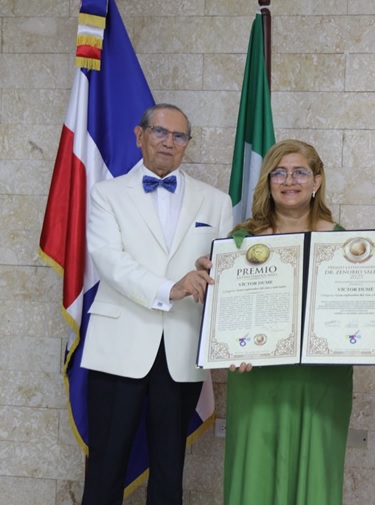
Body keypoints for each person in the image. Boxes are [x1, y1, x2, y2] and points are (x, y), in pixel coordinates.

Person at [80, 103, 233, 505]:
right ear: (140, 135)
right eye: (160, 132)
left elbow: (224, 272)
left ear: (188, 144)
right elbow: (110, 261)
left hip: (182, 348)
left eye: (179, 136)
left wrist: (215, 270)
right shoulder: (106, 194)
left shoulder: (216, 201)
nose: (168, 142)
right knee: (106, 465)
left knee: (169, 468)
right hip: (118, 346)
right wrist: (170, 288)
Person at [221, 139, 351, 505]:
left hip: (320, 378)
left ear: (317, 181)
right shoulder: (240, 242)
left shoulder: (343, 241)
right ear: (268, 181)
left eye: (300, 172)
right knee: (255, 472)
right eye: (278, 172)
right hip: (256, 375)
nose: (289, 181)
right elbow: (228, 312)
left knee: (316, 472)